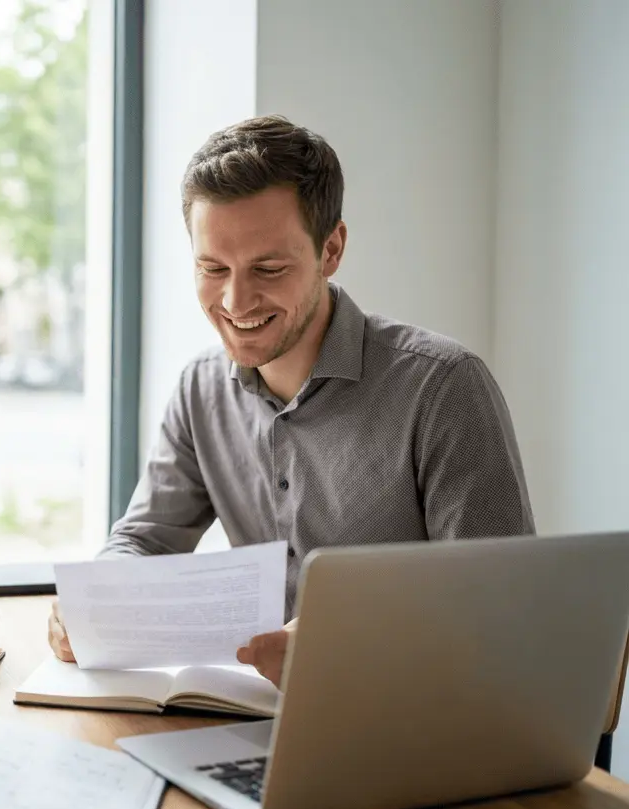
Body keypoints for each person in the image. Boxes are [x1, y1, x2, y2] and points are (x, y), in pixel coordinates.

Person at [48, 115, 534, 684]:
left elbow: (501, 607)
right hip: (255, 712)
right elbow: (144, 539)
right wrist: (99, 603)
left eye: (269, 268)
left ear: (331, 250)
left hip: (408, 717)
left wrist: (346, 638)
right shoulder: (201, 388)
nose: (234, 300)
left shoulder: (443, 388)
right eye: (212, 268)